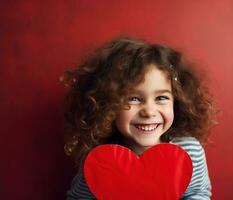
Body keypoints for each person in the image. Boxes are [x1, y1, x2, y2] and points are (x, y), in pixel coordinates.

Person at [60, 36, 220, 199]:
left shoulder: (189, 151)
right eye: (133, 98)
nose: (149, 112)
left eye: (161, 98)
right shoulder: (99, 160)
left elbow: (198, 193)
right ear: (108, 105)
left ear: (177, 102)